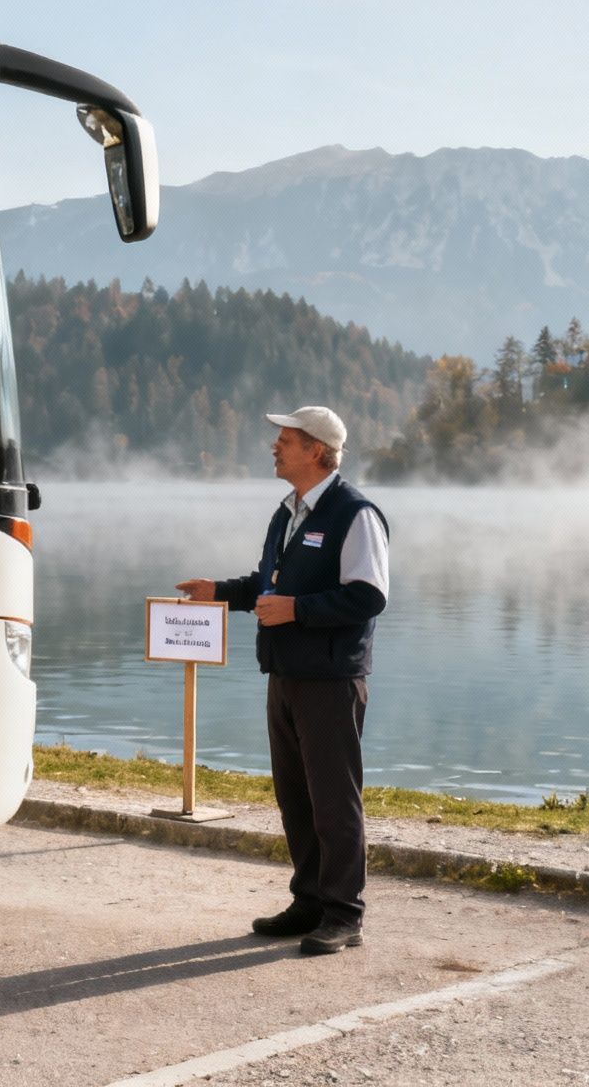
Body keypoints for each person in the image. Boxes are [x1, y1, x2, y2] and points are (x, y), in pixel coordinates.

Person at [176, 406, 389, 955]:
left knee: (334, 799)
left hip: (330, 677)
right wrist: (220, 591)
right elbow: (269, 584)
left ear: (316, 450)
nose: (274, 447)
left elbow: (368, 596)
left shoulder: (354, 513)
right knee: (295, 796)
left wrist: (297, 611)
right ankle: (311, 900)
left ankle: (345, 914)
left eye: (285, 440)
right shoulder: (287, 512)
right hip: (286, 672)